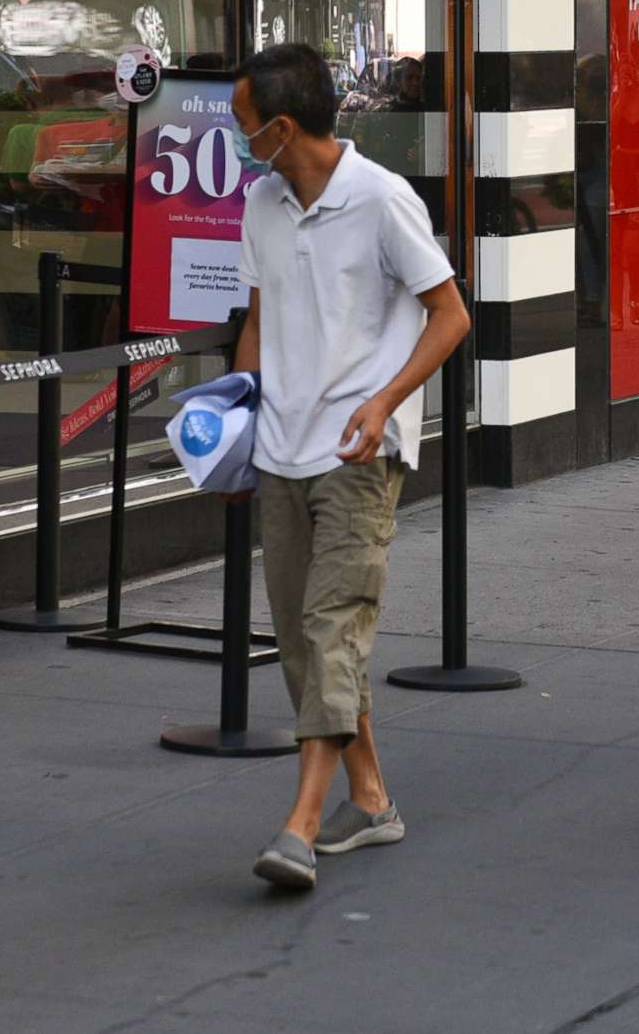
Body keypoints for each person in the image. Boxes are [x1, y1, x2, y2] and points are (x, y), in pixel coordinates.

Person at [232, 43, 471, 892]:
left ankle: (299, 825)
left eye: (244, 125)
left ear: (283, 126)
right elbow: (259, 315)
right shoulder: (262, 204)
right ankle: (371, 799)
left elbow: (450, 316)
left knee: (333, 627)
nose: (237, 140)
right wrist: (236, 402)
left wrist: (384, 402)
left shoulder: (382, 200)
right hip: (279, 449)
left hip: (360, 454)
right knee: (305, 643)